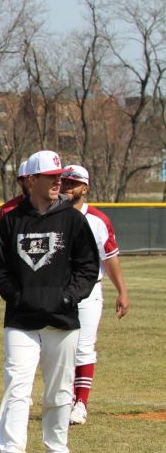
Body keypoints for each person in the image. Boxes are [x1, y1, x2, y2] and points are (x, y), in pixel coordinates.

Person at [0, 150, 99, 453]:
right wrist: (17, 296)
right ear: (32, 180)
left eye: (60, 177)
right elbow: (1, 268)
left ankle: (56, 450)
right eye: (51, 177)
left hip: (62, 320)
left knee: (59, 389)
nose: (58, 182)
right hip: (21, 319)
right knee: (16, 385)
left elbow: (87, 267)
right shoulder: (11, 219)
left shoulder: (73, 220)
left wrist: (69, 298)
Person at [60, 165, 129, 425]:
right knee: (58, 347)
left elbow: (110, 258)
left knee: (83, 348)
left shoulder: (98, 219)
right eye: (64, 182)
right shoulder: (51, 214)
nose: (67, 187)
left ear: (84, 188)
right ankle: (65, 398)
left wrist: (122, 291)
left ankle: (81, 403)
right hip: (57, 292)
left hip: (89, 292)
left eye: (73, 183)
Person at [0, 160, 29, 241]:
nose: (34, 182)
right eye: (30, 179)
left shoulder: (55, 205)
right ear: (20, 182)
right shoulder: (7, 209)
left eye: (38, 178)